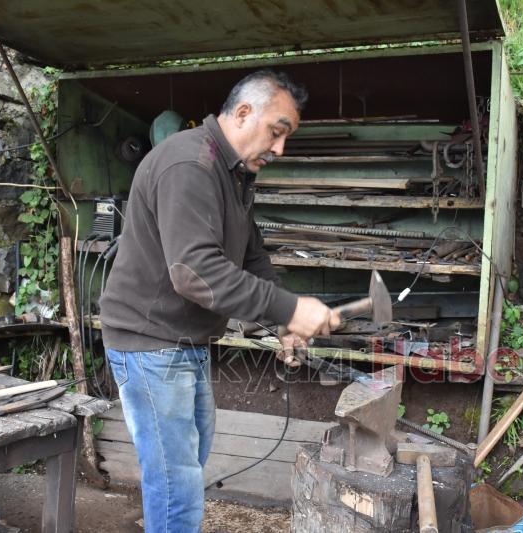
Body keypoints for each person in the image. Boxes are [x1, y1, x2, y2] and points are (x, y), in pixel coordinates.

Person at [99, 70, 337, 532]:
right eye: (277, 131)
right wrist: (290, 309)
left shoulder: (233, 173)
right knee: (176, 479)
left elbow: (251, 255)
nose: (280, 148)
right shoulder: (190, 165)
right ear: (244, 112)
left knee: (191, 454)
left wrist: (282, 323)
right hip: (149, 342)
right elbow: (195, 273)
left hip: (185, 339)